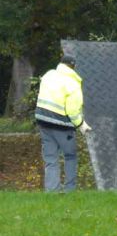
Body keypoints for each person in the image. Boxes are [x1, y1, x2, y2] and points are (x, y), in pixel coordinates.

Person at [34, 55, 92, 192]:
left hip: (43, 121)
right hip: (61, 125)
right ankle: (69, 190)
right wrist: (81, 125)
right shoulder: (73, 83)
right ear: (74, 67)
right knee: (70, 156)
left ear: (60, 64)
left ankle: (52, 191)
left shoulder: (48, 75)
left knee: (51, 158)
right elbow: (72, 111)